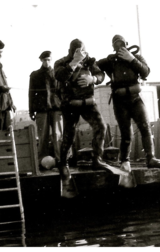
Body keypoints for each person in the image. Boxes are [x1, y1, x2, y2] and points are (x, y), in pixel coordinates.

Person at [96, 35, 160, 180]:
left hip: (135, 98)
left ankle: (150, 158)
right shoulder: (111, 61)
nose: (120, 47)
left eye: (122, 44)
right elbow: (95, 66)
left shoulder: (136, 57)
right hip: (120, 101)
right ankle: (125, 161)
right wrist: (94, 76)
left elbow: (146, 71)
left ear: (127, 44)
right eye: (116, 45)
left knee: (145, 127)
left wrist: (131, 59)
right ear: (113, 48)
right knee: (126, 133)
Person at [54, 39, 115, 179]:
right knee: (69, 134)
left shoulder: (89, 61)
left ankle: (97, 159)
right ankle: (63, 163)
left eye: (82, 50)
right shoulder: (61, 62)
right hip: (70, 103)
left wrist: (93, 79)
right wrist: (74, 62)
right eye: (77, 50)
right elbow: (60, 76)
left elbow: (101, 75)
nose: (80, 52)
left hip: (88, 102)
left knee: (101, 126)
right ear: (71, 51)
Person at [29, 51, 63, 169]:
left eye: (48, 59)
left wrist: (64, 107)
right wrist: (31, 110)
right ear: (41, 60)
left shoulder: (57, 74)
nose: (46, 62)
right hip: (41, 109)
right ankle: (42, 161)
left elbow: (62, 91)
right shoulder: (35, 75)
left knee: (58, 135)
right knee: (43, 136)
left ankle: (61, 160)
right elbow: (31, 94)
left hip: (56, 108)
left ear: (51, 60)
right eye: (44, 60)